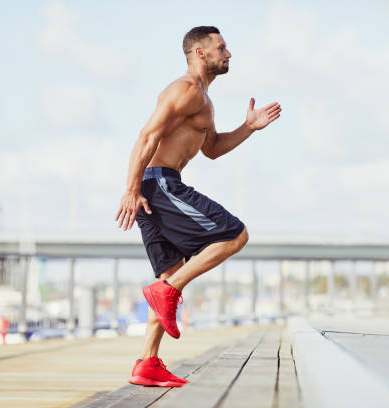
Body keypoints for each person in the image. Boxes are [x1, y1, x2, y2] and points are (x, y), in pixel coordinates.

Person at [115, 26, 281, 387]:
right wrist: (130, 189)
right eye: (222, 47)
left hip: (154, 186)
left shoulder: (204, 100)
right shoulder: (185, 90)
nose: (229, 53)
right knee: (236, 234)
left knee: (171, 273)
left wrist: (248, 127)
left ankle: (147, 362)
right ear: (199, 53)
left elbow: (213, 148)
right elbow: (147, 135)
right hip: (159, 183)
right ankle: (166, 293)